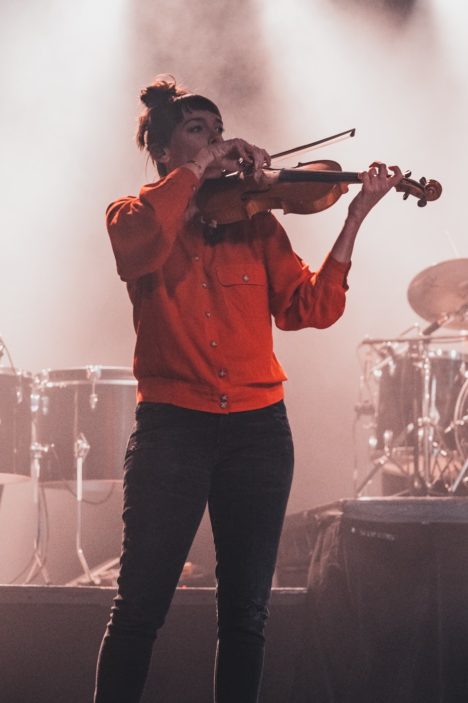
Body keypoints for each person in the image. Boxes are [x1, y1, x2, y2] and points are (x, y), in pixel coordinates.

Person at [93, 75, 403, 703]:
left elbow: (310, 308)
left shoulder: (255, 225)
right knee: (139, 607)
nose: (217, 139)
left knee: (246, 614)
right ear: (163, 150)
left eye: (219, 129)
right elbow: (140, 246)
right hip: (173, 428)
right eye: (198, 130)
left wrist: (354, 218)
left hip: (258, 431)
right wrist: (201, 168)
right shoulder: (132, 214)